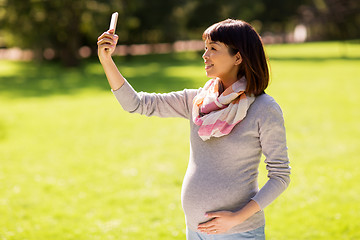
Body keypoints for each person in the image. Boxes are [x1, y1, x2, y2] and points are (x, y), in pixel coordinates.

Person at [97, 19, 291, 240]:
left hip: (238, 233)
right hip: (194, 230)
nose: (205, 55)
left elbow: (280, 175)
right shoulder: (197, 101)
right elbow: (136, 104)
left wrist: (236, 218)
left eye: (213, 49)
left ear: (238, 57)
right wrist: (106, 60)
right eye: (205, 48)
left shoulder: (264, 108)